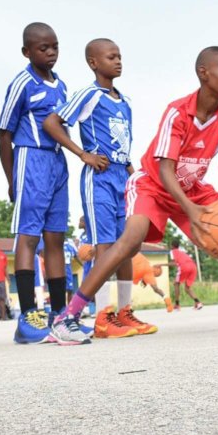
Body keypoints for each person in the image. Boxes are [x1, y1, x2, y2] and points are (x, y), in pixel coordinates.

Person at [54, 47, 218, 333]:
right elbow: (165, 169)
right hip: (152, 184)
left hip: (191, 188)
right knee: (130, 241)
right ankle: (67, 318)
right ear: (204, 73)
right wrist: (189, 210)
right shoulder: (178, 111)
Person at [43, 37, 154, 339]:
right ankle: (103, 316)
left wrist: (136, 177)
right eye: (111, 57)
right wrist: (83, 154)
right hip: (99, 178)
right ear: (93, 62)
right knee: (105, 246)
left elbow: (124, 149)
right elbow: (52, 123)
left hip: (122, 178)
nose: (118, 61)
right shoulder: (89, 94)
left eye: (119, 56)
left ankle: (124, 312)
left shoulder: (125, 102)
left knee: (126, 246)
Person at [0, 22, 75, 344]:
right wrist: (12, 177)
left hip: (57, 162)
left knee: (55, 238)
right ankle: (28, 315)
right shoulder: (22, 83)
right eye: (43, 48)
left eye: (55, 46)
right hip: (31, 159)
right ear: (27, 52)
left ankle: (60, 314)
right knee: (28, 236)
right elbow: (3, 133)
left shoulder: (62, 85)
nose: (51, 52)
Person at [168, 240, 203, 310]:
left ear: (172, 246)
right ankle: (198, 302)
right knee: (187, 288)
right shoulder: (182, 251)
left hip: (184, 267)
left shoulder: (172, 251)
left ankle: (177, 304)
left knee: (176, 284)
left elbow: (173, 263)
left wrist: (160, 264)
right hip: (193, 267)